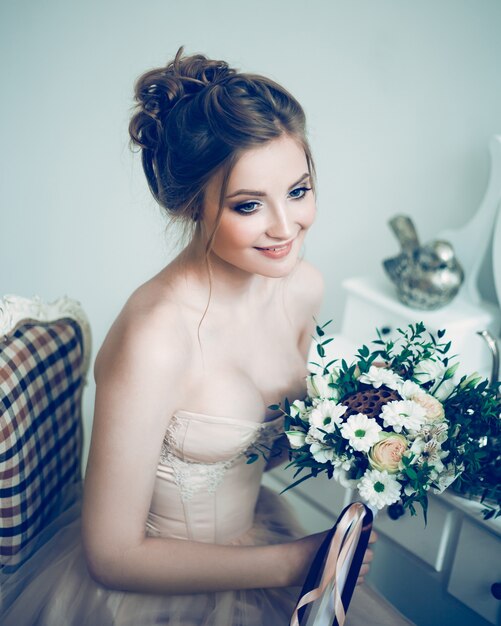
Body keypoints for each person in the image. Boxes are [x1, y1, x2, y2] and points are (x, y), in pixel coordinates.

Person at [0, 47, 412, 625]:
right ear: (193, 205)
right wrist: (292, 563)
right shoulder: (155, 337)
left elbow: (261, 449)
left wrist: (376, 439)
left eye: (298, 191)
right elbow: (111, 557)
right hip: (154, 587)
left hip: (259, 535)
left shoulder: (302, 287)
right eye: (248, 205)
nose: (284, 227)